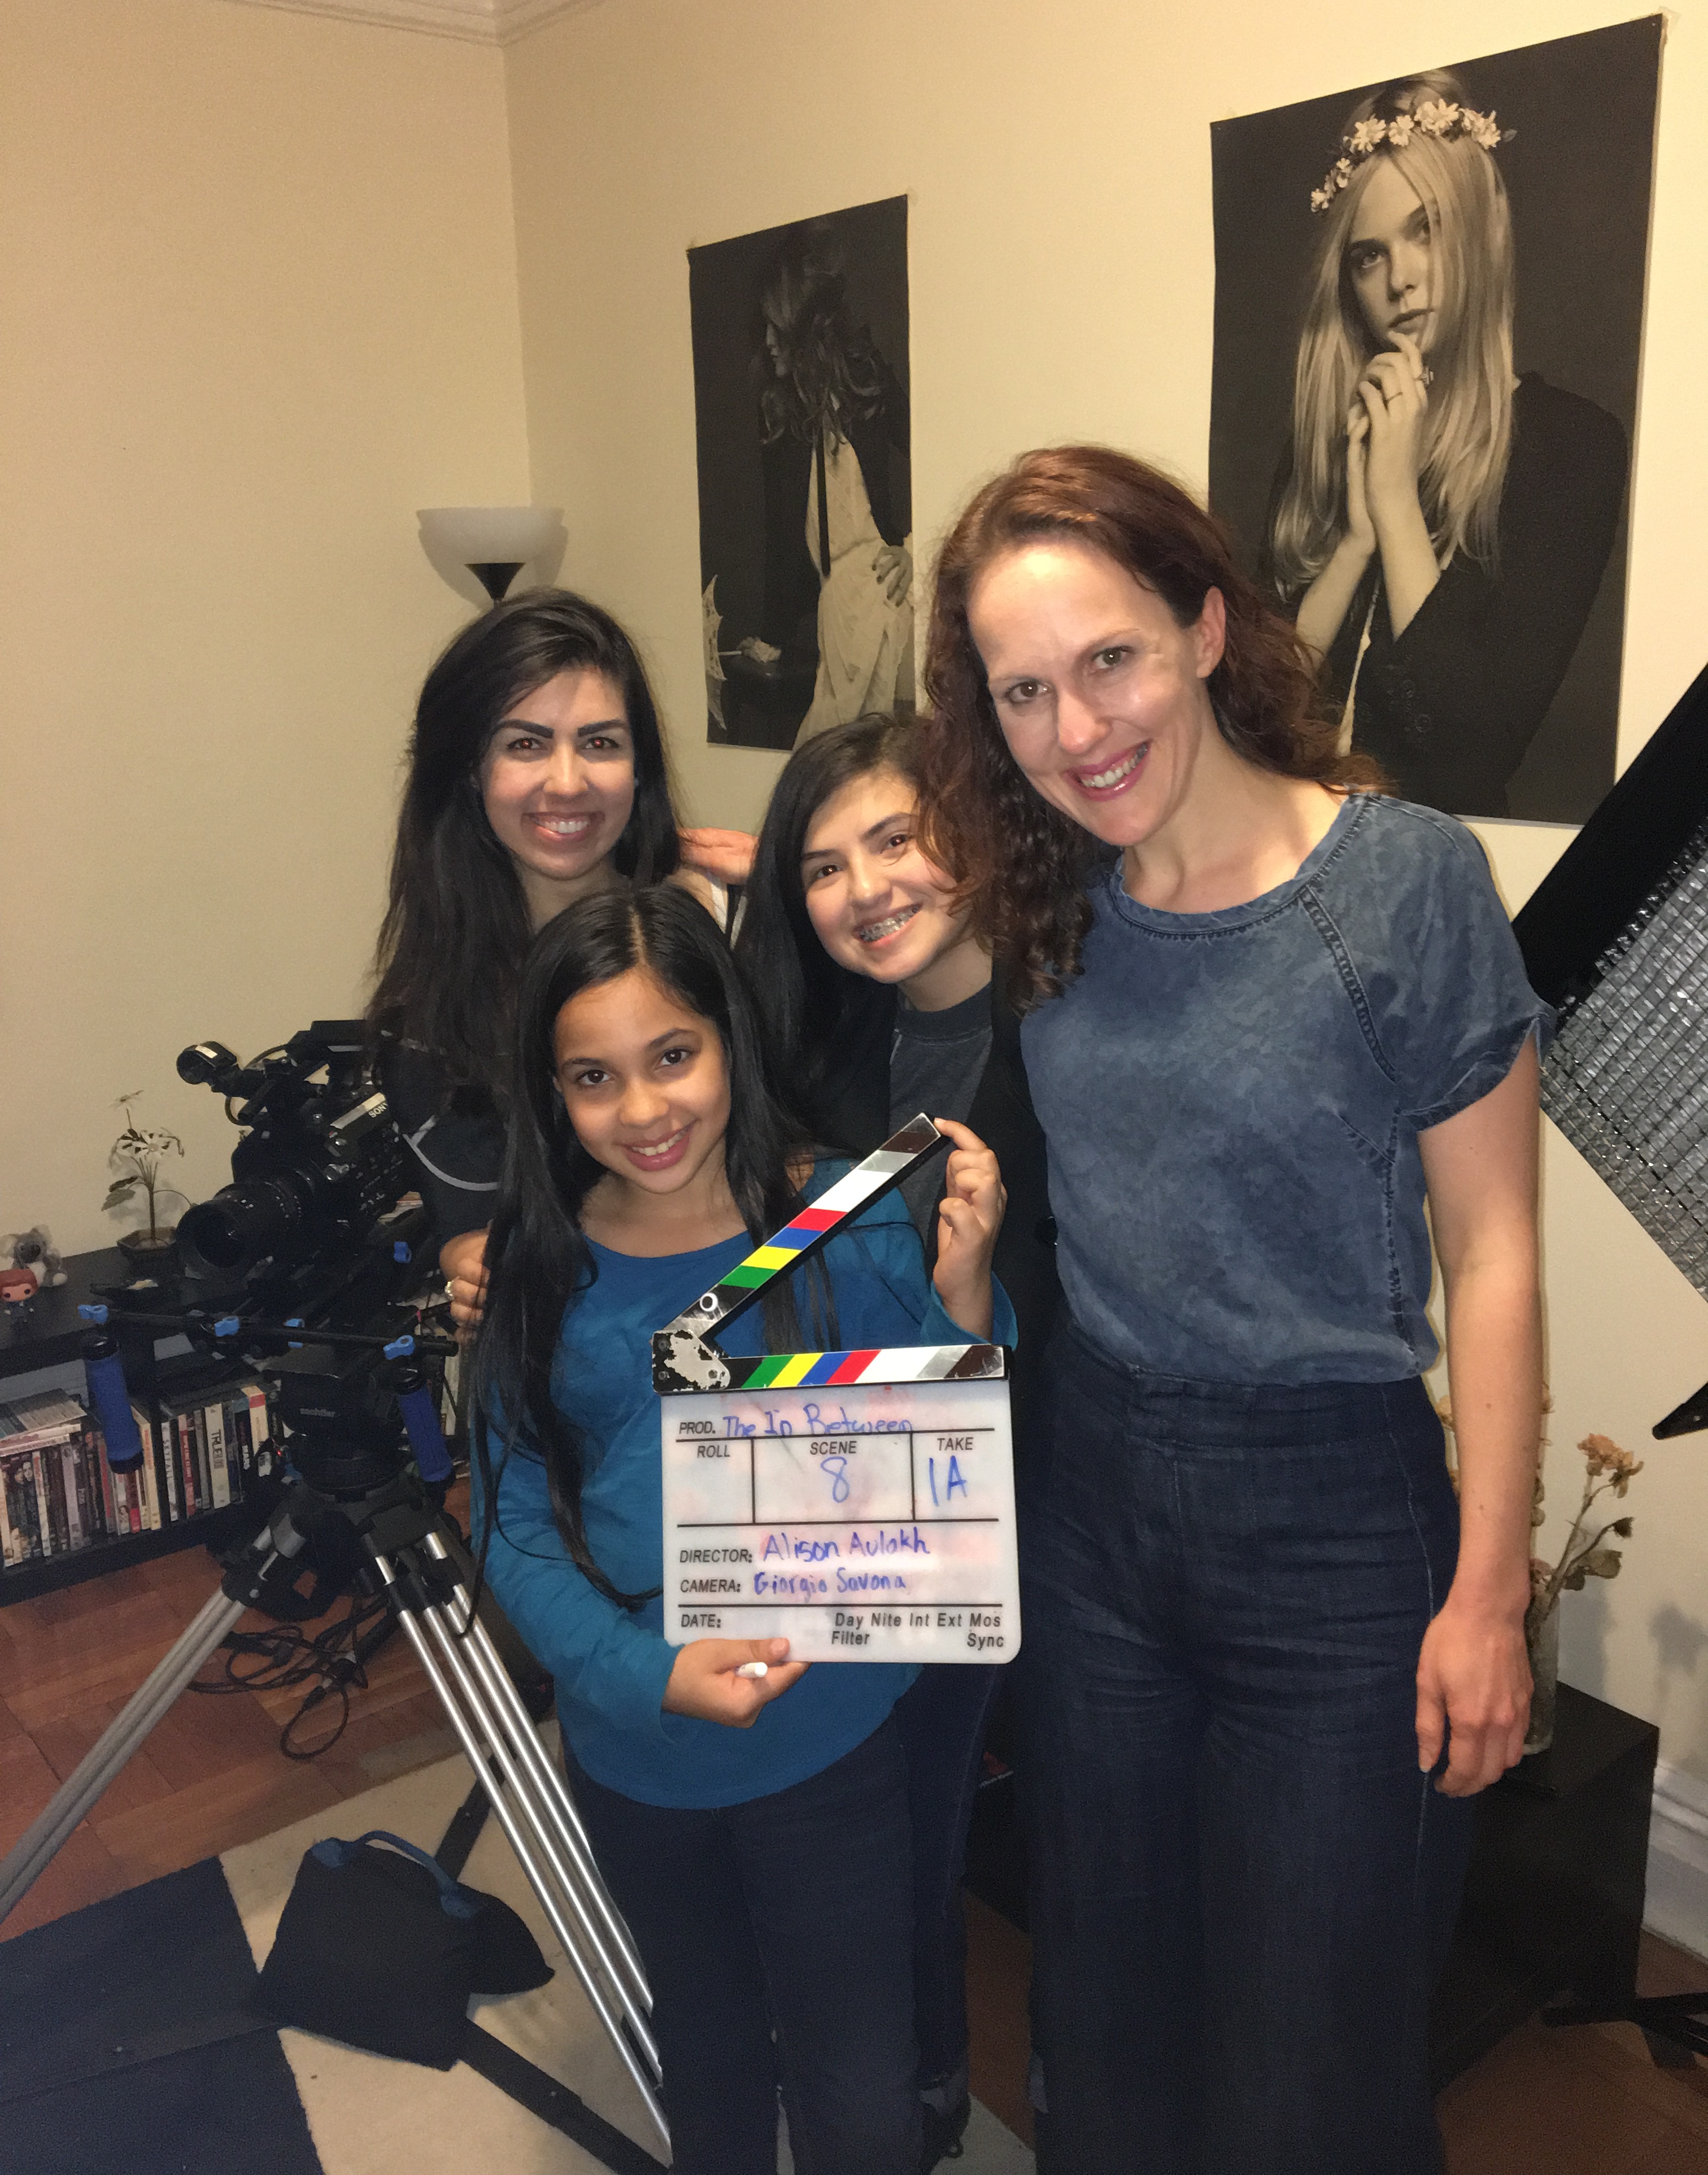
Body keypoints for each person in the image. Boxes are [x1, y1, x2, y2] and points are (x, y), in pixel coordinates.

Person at [921, 443, 1548, 2173]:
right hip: (1100, 1508)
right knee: (1106, 2037)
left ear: (1205, 628)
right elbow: (871, 956)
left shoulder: (1403, 886)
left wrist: (1491, 1593)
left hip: (1335, 1534)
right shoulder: (1049, 900)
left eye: (1110, 659)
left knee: (1308, 2079)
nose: (1077, 729)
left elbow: (1495, 1254)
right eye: (1024, 692)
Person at [467, 884, 1010, 2174]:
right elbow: (508, 1517)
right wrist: (640, 1671)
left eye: (674, 1055)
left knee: (860, 2091)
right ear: (551, 1092)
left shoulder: (837, 1219)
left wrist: (966, 1293)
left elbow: (944, 1451)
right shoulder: (535, 1266)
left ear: (731, 1039)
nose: (644, 1109)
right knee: (708, 2069)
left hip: (833, 1742)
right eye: (593, 1078)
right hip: (637, 1751)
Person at [737, 712, 1061, 2163]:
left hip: (1045, 1495)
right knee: (885, 1824)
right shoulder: (816, 1037)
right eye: (822, 866)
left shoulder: (1070, 1021)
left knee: (1037, 1831)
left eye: (894, 838)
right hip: (861, 1491)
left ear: (973, 830)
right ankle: (915, 2088)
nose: (864, 889)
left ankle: (1038, 2094)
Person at [1265, 70, 1627, 818]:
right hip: (1289, 852)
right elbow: (1257, 720)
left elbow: (1472, 753)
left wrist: (1396, 502)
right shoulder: (1328, 441)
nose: (1400, 279)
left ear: (1477, 230)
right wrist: (1356, 544)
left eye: (1425, 228)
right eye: (1368, 255)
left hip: (1436, 866)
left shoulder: (1570, 445)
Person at [367, 588, 730, 1330]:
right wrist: (467, 1262)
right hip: (580, 1361)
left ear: (640, 765)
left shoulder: (729, 929)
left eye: (601, 743)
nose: (568, 783)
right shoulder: (427, 1019)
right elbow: (470, 1226)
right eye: (525, 744)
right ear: (469, 768)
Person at [731, 228, 914, 748]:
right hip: (837, 604)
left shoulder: (864, 378)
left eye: (776, 328)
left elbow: (937, 449)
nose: (768, 344)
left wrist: (914, 547)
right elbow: (781, 533)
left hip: (881, 588)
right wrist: (773, 636)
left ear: (800, 328)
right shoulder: (783, 414)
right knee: (837, 753)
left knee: (866, 748)